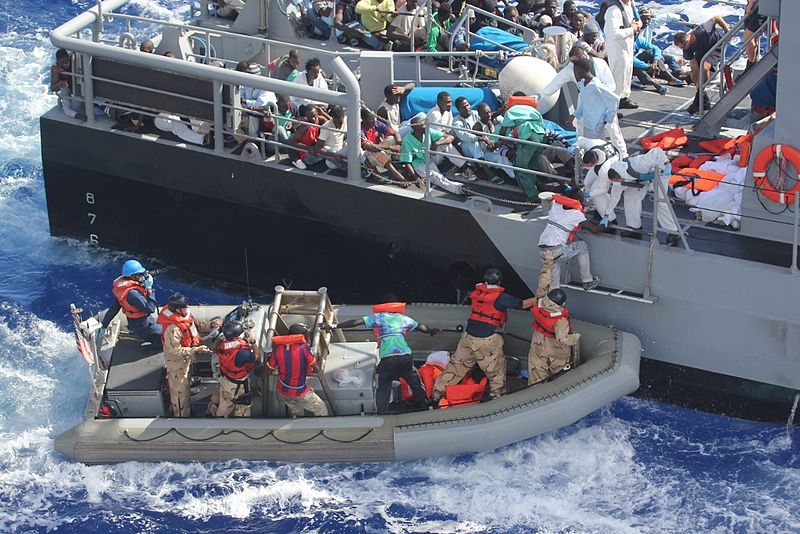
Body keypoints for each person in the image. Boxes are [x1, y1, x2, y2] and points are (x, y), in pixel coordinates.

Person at [433, 268, 536, 402]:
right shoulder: (502, 298)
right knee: (496, 371)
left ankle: (437, 394)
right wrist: (541, 298)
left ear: (485, 281)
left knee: (455, 368)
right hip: (486, 340)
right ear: (499, 282)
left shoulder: (477, 292)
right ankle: (497, 396)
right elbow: (524, 304)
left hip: (467, 337)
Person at [324, 300, 439, 413]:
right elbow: (422, 328)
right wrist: (431, 331)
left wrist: (333, 326)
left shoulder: (378, 317)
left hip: (388, 359)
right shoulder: (403, 319)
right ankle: (423, 407)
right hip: (405, 357)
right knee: (415, 383)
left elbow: (354, 322)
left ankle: (382, 413)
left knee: (384, 387)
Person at [156, 293, 218, 417]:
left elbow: (196, 325)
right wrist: (195, 350)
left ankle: (187, 397)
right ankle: (181, 416)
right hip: (178, 363)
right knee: (179, 393)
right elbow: (175, 351)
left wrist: (211, 325)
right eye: (183, 307)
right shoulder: (173, 329)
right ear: (177, 309)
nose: (186, 308)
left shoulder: (185, 315)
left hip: (187, 359)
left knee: (186, 382)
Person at [527, 251, 580, 385]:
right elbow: (563, 339)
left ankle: (535, 393)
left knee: (536, 375)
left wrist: (548, 262)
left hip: (538, 342)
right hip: (556, 349)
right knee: (562, 377)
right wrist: (575, 338)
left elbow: (543, 280)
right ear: (562, 304)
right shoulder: (560, 320)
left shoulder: (540, 299)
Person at [607, 149, 680, 245]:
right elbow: (614, 197)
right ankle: (634, 226)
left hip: (659, 171)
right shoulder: (617, 179)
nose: (619, 182)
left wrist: (667, 164)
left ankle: (672, 231)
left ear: (620, 176)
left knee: (660, 201)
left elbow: (657, 151)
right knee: (630, 196)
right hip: (640, 178)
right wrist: (607, 215)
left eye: (619, 180)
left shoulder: (641, 163)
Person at [537, 190, 601, 290]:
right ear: (579, 200)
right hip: (557, 250)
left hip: (542, 250)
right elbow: (594, 230)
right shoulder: (576, 214)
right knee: (582, 246)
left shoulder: (556, 207)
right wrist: (605, 224)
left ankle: (553, 293)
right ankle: (587, 280)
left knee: (553, 282)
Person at [267, 323, 329, 417]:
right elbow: (316, 369)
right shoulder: (304, 349)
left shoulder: (277, 348)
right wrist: (319, 357)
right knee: (321, 408)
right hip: (300, 392)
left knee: (296, 413)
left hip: (282, 391)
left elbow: (269, 369)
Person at [673, 15, 730, 114]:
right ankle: (701, 94)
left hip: (717, 46)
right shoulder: (686, 48)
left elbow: (717, 18)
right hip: (703, 50)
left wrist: (727, 32)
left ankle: (699, 98)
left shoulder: (703, 30)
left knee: (704, 67)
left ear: (688, 38)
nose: (684, 48)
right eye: (682, 48)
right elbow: (692, 61)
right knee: (693, 65)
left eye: (685, 45)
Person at [399, 113, 466, 194]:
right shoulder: (407, 140)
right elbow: (407, 162)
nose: (426, 126)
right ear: (415, 128)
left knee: (445, 145)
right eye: (423, 125)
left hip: (431, 158)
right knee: (436, 177)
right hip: (420, 165)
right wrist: (416, 178)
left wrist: (437, 143)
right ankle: (458, 189)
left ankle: (465, 167)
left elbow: (450, 137)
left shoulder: (428, 131)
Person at [100, 259, 162, 346]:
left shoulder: (123, 290)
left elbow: (113, 309)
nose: (142, 276)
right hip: (143, 326)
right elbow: (150, 309)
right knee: (166, 337)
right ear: (133, 276)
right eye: (139, 274)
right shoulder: (132, 294)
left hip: (134, 324)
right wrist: (149, 288)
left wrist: (104, 325)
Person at [571, 58, 621, 146]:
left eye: (575, 70)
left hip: (596, 124)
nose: (575, 73)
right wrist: (574, 115)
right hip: (587, 123)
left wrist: (608, 118)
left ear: (581, 70)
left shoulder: (596, 85)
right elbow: (584, 103)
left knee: (593, 147)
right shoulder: (583, 84)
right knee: (595, 147)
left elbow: (615, 99)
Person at [215, 320, 260, 417]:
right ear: (237, 336)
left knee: (225, 401)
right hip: (238, 385)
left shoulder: (222, 345)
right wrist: (253, 342)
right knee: (242, 406)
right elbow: (257, 356)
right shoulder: (242, 353)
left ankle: (216, 416)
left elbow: (215, 349)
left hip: (226, 379)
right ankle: (238, 423)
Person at [602, 0, 641, 109]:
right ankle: (612, 104)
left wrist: (637, 25)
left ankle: (623, 98)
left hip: (627, 46)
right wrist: (631, 29)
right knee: (618, 76)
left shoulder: (630, 6)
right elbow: (613, 33)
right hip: (617, 48)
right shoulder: (613, 10)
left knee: (627, 72)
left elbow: (635, 21)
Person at [360, 108, 407, 184]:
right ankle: (397, 176)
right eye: (371, 119)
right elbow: (368, 147)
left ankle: (394, 159)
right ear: (364, 120)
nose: (374, 120)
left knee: (392, 138)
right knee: (377, 153)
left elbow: (395, 133)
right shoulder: (360, 130)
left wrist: (399, 144)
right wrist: (391, 147)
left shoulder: (376, 124)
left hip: (379, 149)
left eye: (375, 118)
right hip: (367, 155)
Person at [235, 61, 277, 139]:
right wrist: (246, 103)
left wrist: (245, 101)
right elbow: (240, 97)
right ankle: (244, 138)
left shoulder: (266, 86)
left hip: (269, 115)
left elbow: (260, 104)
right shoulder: (247, 84)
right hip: (251, 111)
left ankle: (253, 139)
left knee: (254, 114)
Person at [312, 105, 349, 171]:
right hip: (332, 155)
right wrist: (333, 155)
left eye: (340, 122)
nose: (338, 124)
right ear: (333, 119)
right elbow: (317, 148)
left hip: (342, 148)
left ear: (343, 117)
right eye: (336, 122)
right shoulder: (326, 128)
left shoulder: (346, 120)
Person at [289, 104, 322, 169]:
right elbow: (293, 142)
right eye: (310, 117)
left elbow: (331, 122)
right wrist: (308, 148)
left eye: (314, 116)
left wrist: (322, 112)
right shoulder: (304, 127)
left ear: (317, 113)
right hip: (306, 155)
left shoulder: (318, 119)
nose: (313, 118)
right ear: (306, 116)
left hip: (315, 147)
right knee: (328, 155)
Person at [743, 0, 766, 70]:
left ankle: (751, 65)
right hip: (756, 5)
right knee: (754, 37)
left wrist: (752, 2)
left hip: (760, 6)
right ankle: (753, 62)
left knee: (748, 37)